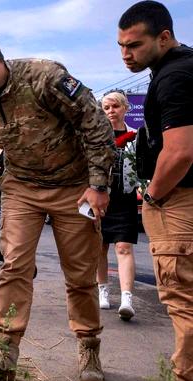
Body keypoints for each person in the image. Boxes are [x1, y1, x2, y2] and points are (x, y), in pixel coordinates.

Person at [0, 32, 115, 380]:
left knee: (79, 275)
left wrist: (98, 186)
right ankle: (5, 351)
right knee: (14, 266)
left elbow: (96, 124)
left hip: (74, 187)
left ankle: (89, 345)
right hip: (22, 189)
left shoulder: (44, 77)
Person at [118, 2, 193, 379]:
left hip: (179, 199)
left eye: (134, 45)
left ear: (164, 37)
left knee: (183, 299)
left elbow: (179, 152)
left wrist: (152, 196)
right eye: (121, 46)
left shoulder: (175, 75)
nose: (125, 54)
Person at [97, 91, 139, 321]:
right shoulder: (96, 137)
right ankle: (102, 289)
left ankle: (126, 298)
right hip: (100, 198)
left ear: (125, 108)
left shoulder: (136, 137)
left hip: (125, 198)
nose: (111, 111)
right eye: (106, 108)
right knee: (99, 247)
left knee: (123, 246)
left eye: (115, 106)